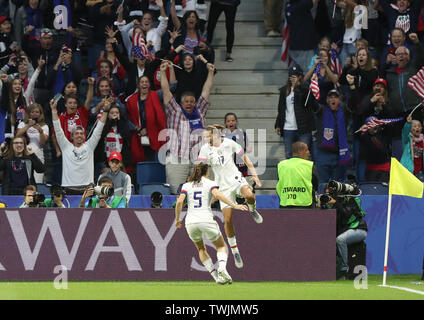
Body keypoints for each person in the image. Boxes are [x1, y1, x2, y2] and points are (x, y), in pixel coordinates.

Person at [197, 125, 263, 269]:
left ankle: (252, 209)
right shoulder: (205, 149)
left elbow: (245, 157)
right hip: (223, 187)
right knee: (227, 221)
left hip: (236, 179)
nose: (206, 139)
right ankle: (235, 251)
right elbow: (201, 169)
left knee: (250, 196)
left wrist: (255, 175)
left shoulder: (229, 143)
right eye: (204, 137)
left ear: (215, 135)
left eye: (208, 136)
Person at [174, 162, 248, 284]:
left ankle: (216, 277)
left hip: (190, 222)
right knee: (221, 246)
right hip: (206, 219)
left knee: (201, 249)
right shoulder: (210, 183)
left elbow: (179, 202)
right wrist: (234, 205)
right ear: (207, 172)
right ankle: (222, 269)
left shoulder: (186, 185)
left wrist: (177, 219)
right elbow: (218, 195)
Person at [160, 59, 215, 194]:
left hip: (198, 158)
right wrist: (162, 72)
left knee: (203, 192)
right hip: (177, 158)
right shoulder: (174, 111)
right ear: (181, 102)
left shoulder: (200, 110)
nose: (189, 104)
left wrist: (211, 73)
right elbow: (166, 91)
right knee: (175, 191)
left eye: (192, 101)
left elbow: (206, 90)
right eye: (186, 101)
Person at [50, 94, 110, 195]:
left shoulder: (90, 146)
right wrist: (54, 110)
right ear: (71, 136)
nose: (79, 135)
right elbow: (58, 128)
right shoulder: (65, 147)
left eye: (81, 133)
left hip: (88, 189)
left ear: (84, 136)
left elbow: (99, 128)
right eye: (76, 133)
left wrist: (106, 111)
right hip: (68, 189)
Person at [319, 183, 368, 280]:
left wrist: (335, 203)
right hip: (347, 230)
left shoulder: (353, 200)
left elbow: (347, 213)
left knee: (340, 239)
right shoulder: (337, 203)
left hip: (359, 229)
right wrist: (321, 205)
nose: (330, 197)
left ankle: (345, 268)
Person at [275, 64, 315, 158]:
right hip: (288, 128)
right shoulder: (284, 90)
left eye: (294, 76)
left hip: (303, 128)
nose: (292, 79)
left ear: (299, 77)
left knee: (304, 155)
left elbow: (309, 104)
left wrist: (299, 87)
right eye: (291, 76)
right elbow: (281, 109)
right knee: (289, 155)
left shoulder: (305, 89)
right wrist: (278, 124)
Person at [312, 89, 352, 183]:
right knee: (323, 184)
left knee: (338, 186)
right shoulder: (321, 110)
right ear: (327, 100)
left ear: (339, 100)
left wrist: (352, 87)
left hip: (339, 154)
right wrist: (312, 88)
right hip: (323, 155)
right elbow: (312, 104)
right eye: (330, 97)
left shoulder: (344, 111)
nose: (333, 99)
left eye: (335, 97)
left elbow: (353, 103)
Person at [276, 141, 319, 208]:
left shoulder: (281, 165)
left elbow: (280, 182)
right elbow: (315, 184)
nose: (309, 153)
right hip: (306, 205)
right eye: (306, 150)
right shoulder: (309, 165)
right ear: (300, 151)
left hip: (285, 203)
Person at [15, 103, 49, 183]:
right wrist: (28, 126)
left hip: (38, 156)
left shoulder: (44, 126)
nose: (34, 114)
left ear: (40, 114)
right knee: (24, 181)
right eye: (32, 112)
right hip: (24, 157)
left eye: (37, 112)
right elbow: (17, 136)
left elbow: (42, 143)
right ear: (29, 113)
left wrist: (40, 132)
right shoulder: (22, 124)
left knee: (38, 182)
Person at [400, 114, 424, 180]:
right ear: (410, 128)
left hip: (420, 172)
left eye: (419, 126)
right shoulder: (407, 139)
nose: (417, 128)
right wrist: (408, 123)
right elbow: (405, 132)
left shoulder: (423, 140)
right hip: (409, 170)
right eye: (415, 126)